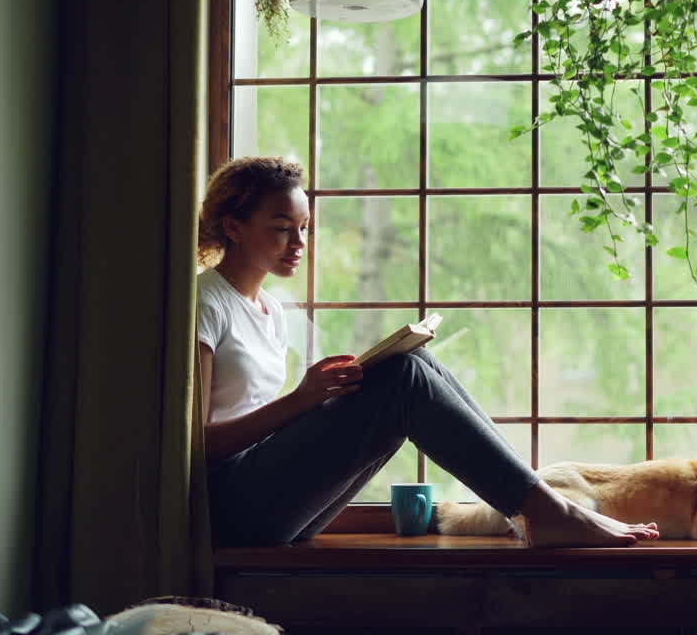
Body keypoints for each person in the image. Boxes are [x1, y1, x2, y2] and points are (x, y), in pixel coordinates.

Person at [196, 156, 660, 547]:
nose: (298, 244)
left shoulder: (270, 310)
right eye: (282, 229)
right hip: (232, 508)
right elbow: (196, 444)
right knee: (402, 379)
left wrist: (327, 393)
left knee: (412, 360)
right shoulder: (203, 303)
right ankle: (545, 509)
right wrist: (304, 399)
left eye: (304, 228)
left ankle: (536, 505)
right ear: (234, 227)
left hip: (272, 498)